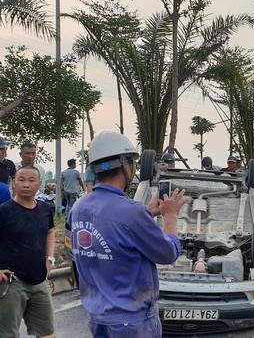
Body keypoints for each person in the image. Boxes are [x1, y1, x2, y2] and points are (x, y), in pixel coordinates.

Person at [69, 131, 186, 337]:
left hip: (98, 317)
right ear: (126, 164)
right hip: (132, 322)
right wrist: (170, 217)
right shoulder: (131, 212)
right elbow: (168, 253)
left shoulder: (79, 207)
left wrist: (147, 213)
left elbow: (111, 234)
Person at [0, 166, 56, 338]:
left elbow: (50, 231)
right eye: (21, 179)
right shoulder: (4, 211)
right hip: (11, 283)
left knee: (47, 333)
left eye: (32, 180)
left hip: (39, 282)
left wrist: (50, 259)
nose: (26, 184)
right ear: (14, 183)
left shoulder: (45, 209)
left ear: (39, 184)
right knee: (7, 334)